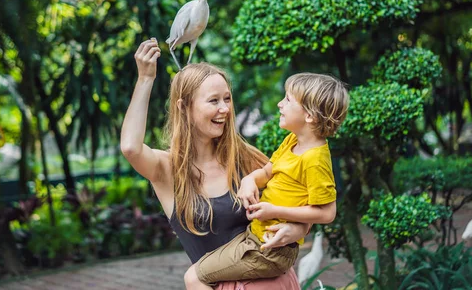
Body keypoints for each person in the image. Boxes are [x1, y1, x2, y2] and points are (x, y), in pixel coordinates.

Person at [120, 38, 308, 289]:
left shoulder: (245, 158)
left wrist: (298, 231)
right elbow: (131, 148)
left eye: (227, 99)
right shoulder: (167, 170)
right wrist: (145, 79)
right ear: (184, 107)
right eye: (214, 101)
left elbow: (302, 202)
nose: (225, 109)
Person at [185, 73, 349, 289]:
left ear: (309, 115)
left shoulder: (315, 160)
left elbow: (327, 213)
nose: (280, 104)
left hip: (271, 250)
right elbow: (267, 171)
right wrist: (250, 181)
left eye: (288, 100)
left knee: (194, 277)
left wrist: (274, 211)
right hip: (257, 238)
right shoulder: (293, 141)